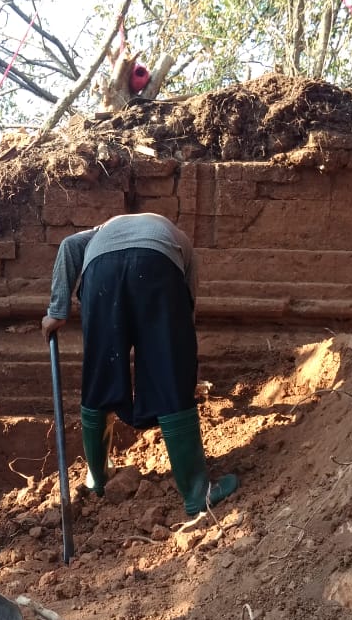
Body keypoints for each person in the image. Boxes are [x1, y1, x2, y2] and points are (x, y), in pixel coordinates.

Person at [40, 212, 238, 515]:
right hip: (157, 267)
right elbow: (188, 303)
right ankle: (198, 493)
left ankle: (99, 477)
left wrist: (57, 311)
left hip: (101, 273)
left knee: (101, 372)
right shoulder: (178, 239)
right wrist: (177, 346)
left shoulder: (101, 231)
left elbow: (68, 245)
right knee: (171, 374)